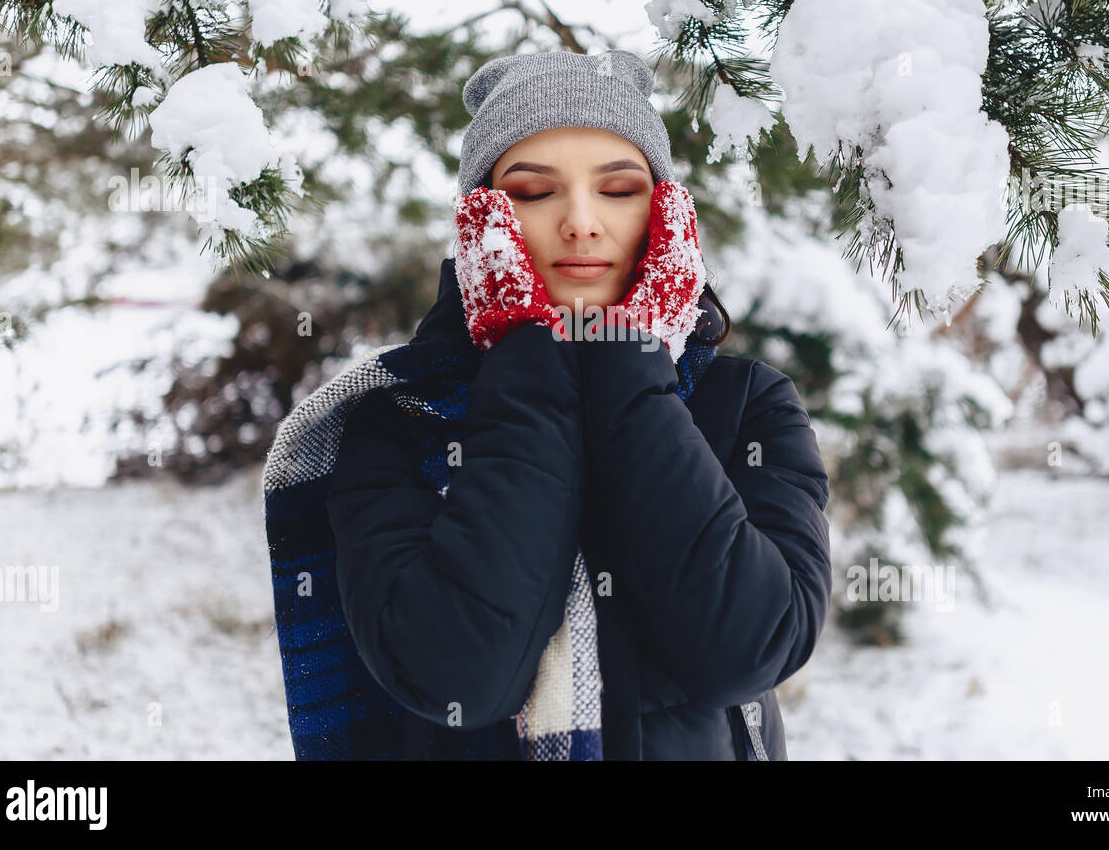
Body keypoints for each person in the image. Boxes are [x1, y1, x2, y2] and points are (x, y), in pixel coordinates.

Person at [263, 49, 832, 760]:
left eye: (620, 189)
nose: (582, 222)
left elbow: (747, 649)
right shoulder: (394, 420)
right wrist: (529, 357)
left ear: (666, 217)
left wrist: (628, 364)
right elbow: (459, 678)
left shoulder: (748, 405)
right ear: (481, 224)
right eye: (533, 193)